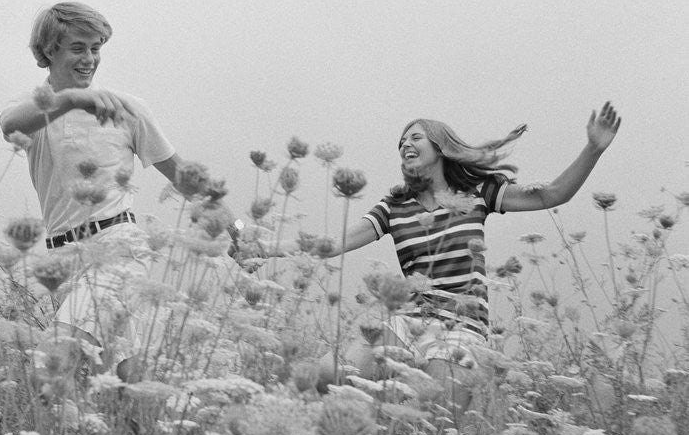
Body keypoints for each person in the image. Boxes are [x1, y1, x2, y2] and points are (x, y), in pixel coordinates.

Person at [250, 104, 621, 407]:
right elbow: (332, 244)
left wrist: (593, 148)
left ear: (440, 146)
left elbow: (552, 194)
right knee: (330, 376)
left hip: (461, 327)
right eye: (401, 142)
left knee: (437, 407)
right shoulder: (394, 205)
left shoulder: (479, 192)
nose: (405, 145)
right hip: (407, 322)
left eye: (415, 137)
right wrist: (266, 248)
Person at [0, 2, 237, 379]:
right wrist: (74, 99)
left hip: (118, 247)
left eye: (96, 48)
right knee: (127, 380)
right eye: (78, 48)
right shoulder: (32, 108)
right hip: (64, 260)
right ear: (49, 50)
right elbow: (11, 124)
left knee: (51, 365)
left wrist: (234, 228)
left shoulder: (128, 108)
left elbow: (182, 176)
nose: (90, 59)